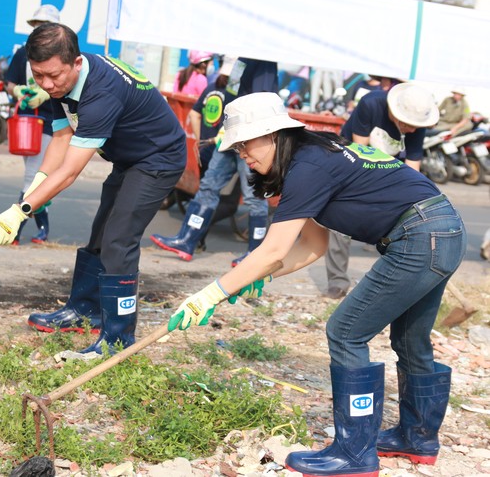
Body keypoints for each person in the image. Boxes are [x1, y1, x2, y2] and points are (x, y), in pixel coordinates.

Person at [168, 91, 465, 476]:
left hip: (421, 237)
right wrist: (260, 276)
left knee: (346, 332)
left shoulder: (308, 166)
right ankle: (417, 438)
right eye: (237, 146)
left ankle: (355, 454)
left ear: (274, 134)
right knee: (409, 339)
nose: (242, 153)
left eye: (245, 143)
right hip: (441, 229)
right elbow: (312, 246)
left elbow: (274, 249)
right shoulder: (313, 156)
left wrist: (208, 295)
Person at [0, 23, 186, 355]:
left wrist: (20, 211)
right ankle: (84, 310)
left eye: (54, 76)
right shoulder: (60, 84)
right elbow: (61, 136)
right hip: (127, 157)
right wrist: (31, 191)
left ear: (76, 63)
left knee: (119, 238)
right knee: (100, 232)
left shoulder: (100, 92)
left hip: (158, 158)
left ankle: (117, 338)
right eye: (38, 76)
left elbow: (70, 171)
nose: (47, 85)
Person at [150, 56, 277, 266]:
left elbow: (262, 101)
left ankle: (255, 255)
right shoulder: (240, 60)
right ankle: (187, 240)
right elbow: (233, 95)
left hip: (249, 138)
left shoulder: (263, 61)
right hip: (229, 135)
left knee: (254, 196)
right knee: (208, 186)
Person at [324, 82, 435, 299]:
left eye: (415, 126)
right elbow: (360, 153)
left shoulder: (417, 125)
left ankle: (391, 286)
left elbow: (413, 170)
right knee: (340, 223)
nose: (412, 130)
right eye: (407, 124)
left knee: (400, 224)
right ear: (394, 112)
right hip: (351, 163)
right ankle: (337, 281)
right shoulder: (371, 104)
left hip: (389, 169)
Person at [4, 4, 61, 245]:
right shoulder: (22, 54)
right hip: (25, 121)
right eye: (37, 26)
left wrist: (47, 93)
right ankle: (43, 229)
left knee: (32, 178)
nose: (39, 30)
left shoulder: (61, 57)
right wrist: (17, 90)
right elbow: (8, 82)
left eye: (44, 27)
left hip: (49, 122)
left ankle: (14, 230)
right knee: (36, 178)